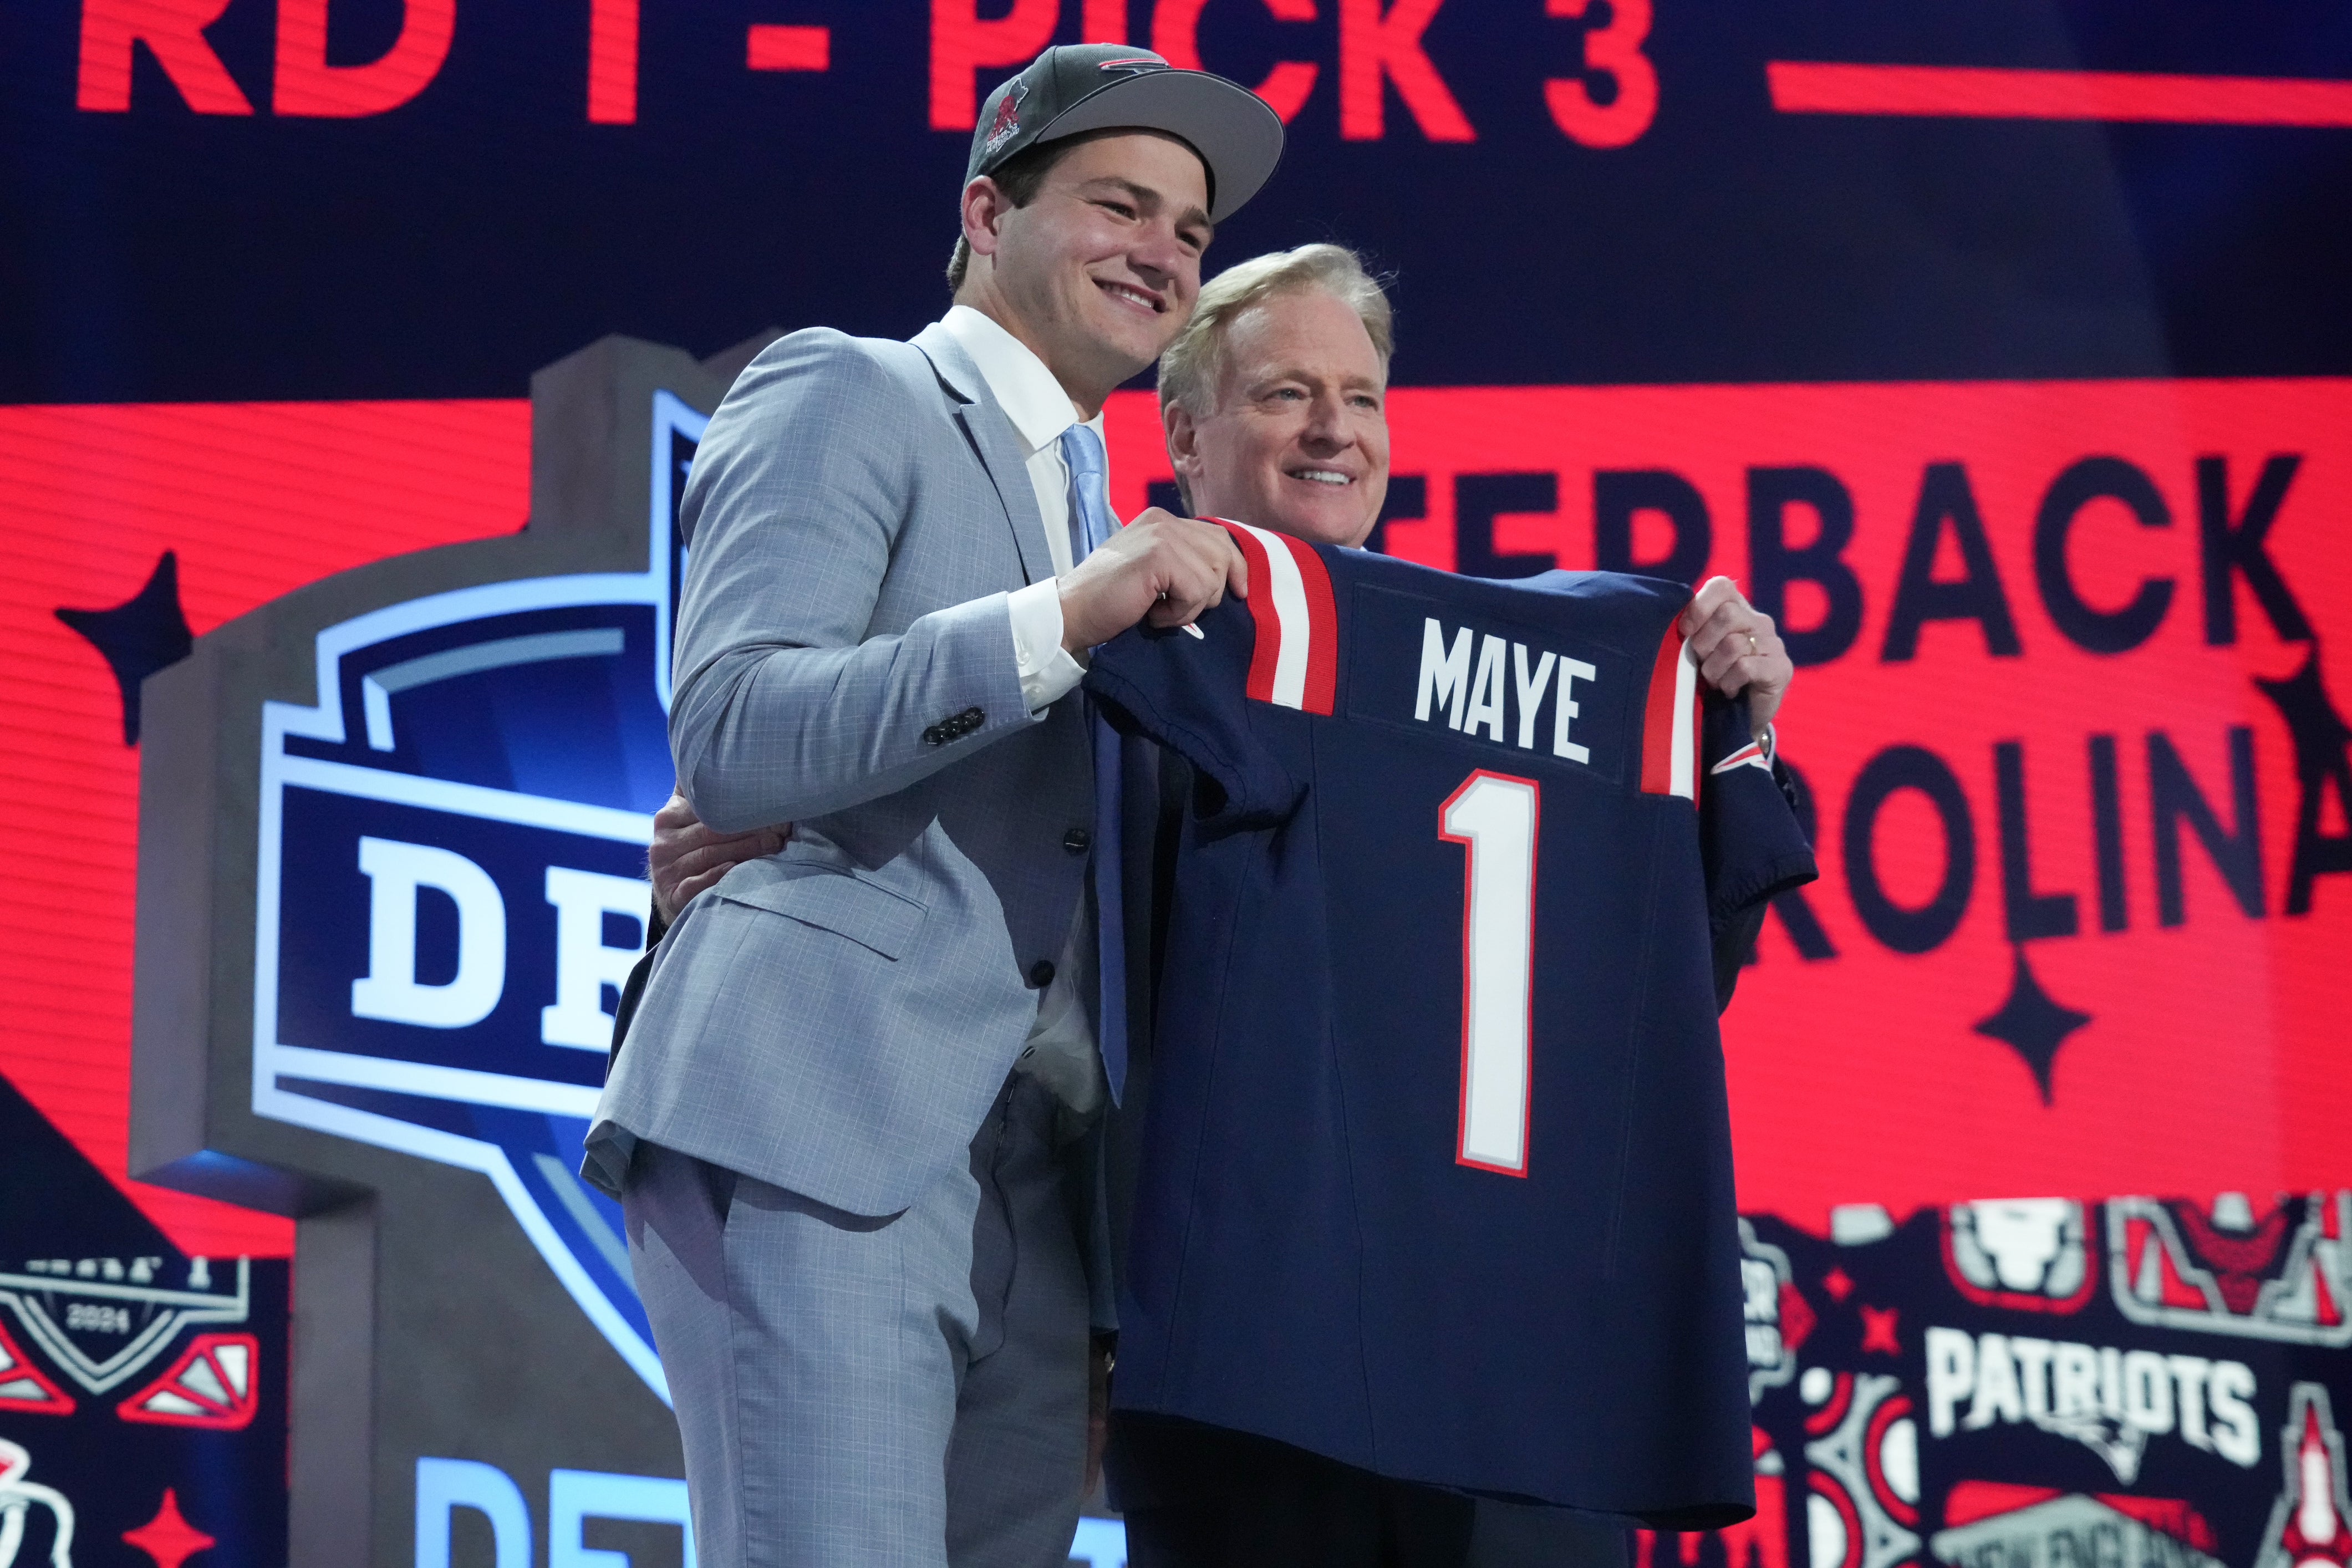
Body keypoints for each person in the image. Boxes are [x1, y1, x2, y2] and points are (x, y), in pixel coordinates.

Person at [642, 242, 1799, 1567]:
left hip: (1511, 1366)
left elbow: (1655, 991)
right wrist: (762, 843)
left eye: (1361, 398)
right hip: (1247, 1364)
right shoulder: (1106, 637)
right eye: (1286, 394)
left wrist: (1732, 729)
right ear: (1183, 435)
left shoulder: (1547, 677)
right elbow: (935, 833)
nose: (1333, 430)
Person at [582, 44, 1284, 1568]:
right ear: (986, 212)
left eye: (1188, 229)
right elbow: (735, 728)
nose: (1162, 252)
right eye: (1118, 205)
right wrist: (1057, 622)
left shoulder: (1108, 518)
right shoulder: (852, 387)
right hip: (824, 1117)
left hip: (1041, 1193)